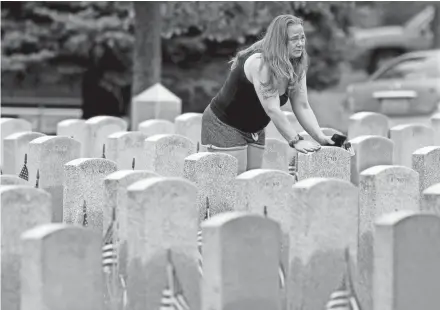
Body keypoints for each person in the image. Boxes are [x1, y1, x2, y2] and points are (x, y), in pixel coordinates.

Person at [201, 14, 335, 173]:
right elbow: (272, 108)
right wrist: (295, 140)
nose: (300, 44)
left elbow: (302, 106)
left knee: (252, 182)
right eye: (294, 39)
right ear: (280, 41)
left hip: (255, 129)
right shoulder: (260, 63)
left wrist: (320, 137)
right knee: (233, 184)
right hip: (224, 124)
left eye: (302, 38)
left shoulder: (297, 64)